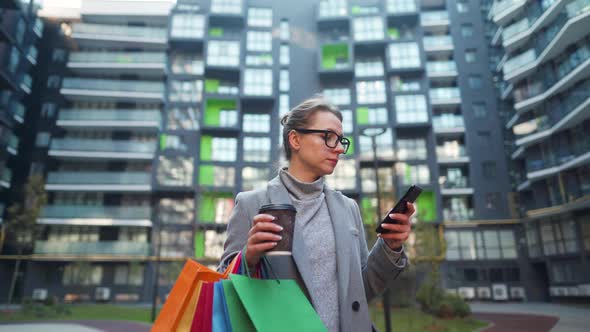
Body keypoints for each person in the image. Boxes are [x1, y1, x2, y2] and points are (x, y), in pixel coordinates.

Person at [219, 96, 413, 332]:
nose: (340, 148)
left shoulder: (348, 208)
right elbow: (224, 288)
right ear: (295, 139)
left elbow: (361, 291)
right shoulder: (251, 204)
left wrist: (390, 246)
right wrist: (248, 257)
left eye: (341, 140)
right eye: (328, 137)